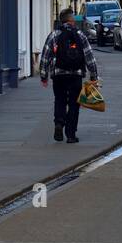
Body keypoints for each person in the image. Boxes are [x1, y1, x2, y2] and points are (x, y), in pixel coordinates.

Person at [40, 8, 100, 144]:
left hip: (58, 74)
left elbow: (45, 55)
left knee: (60, 100)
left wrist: (44, 76)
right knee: (74, 104)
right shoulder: (80, 35)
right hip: (76, 74)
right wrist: (94, 75)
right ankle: (71, 135)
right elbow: (89, 56)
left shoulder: (54, 35)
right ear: (71, 21)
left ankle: (59, 123)